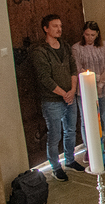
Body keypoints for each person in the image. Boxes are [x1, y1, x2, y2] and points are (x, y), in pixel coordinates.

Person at [33, 14, 82, 180]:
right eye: (55, 26)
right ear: (46, 28)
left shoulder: (65, 46)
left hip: (70, 96)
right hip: (52, 100)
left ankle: (70, 160)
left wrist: (72, 90)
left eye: (60, 26)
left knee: (71, 130)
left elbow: (73, 69)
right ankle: (55, 167)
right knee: (55, 135)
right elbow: (45, 78)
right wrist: (63, 93)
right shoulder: (40, 51)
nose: (59, 29)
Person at [72, 20, 105, 160]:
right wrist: (97, 78)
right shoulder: (76, 48)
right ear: (83, 34)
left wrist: (100, 84)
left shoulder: (103, 45)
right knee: (86, 119)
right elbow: (79, 69)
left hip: (104, 87)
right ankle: (90, 148)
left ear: (97, 34)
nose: (90, 38)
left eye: (92, 35)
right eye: (87, 35)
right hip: (85, 89)